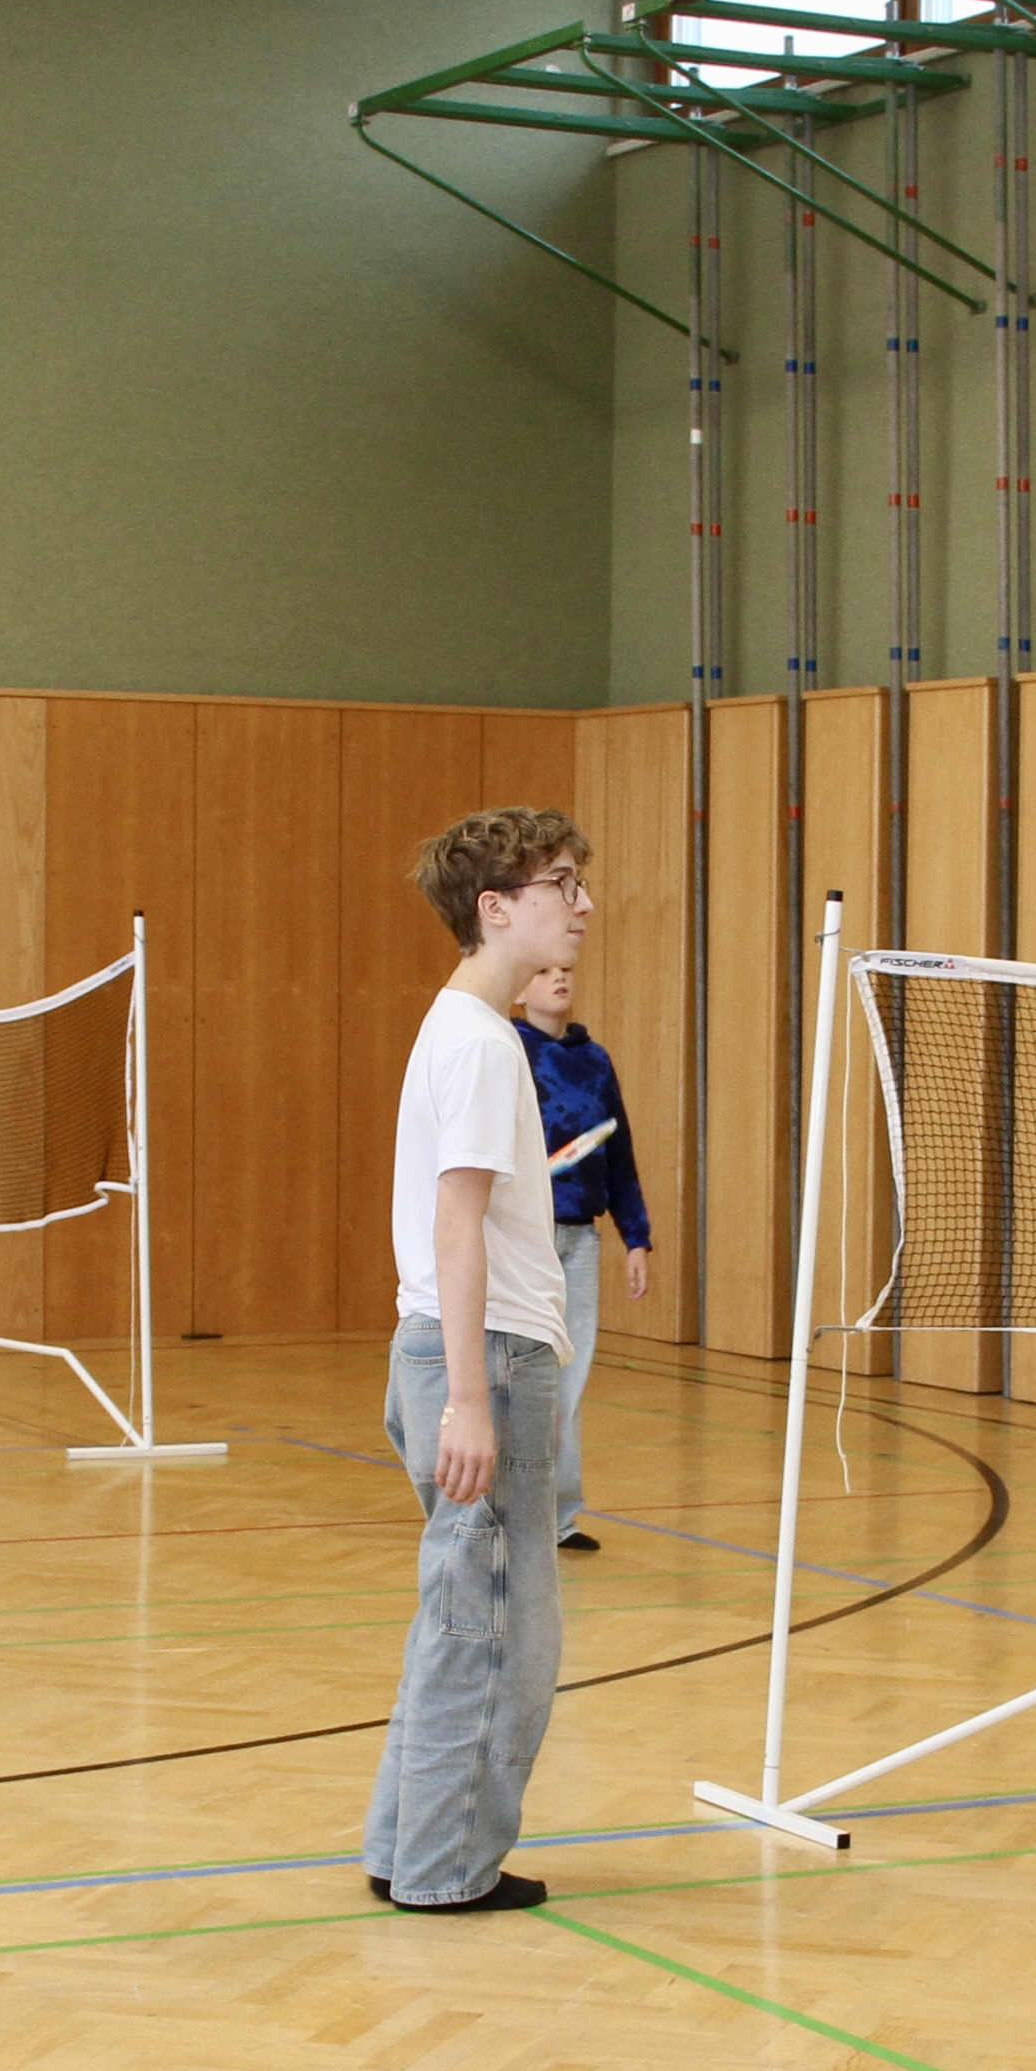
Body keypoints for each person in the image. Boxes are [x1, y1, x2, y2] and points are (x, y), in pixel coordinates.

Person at [361, 807, 594, 1915]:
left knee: (458, 1619)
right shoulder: (484, 1043)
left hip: (465, 1351)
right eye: (561, 884)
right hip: (485, 1357)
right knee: (497, 1636)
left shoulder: (463, 1030)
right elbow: (457, 1223)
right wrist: (469, 1398)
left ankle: (405, 1845)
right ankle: (446, 1868)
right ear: (496, 909)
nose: (583, 904)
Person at [514, 960, 654, 1556]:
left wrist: (635, 1236)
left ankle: (558, 1517)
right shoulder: (510, 1053)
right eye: (544, 971)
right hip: (524, 1238)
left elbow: (619, 1155)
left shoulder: (595, 1061)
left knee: (567, 1384)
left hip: (581, 1240)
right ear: (519, 988)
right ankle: (506, 1512)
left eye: (566, 969)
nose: (559, 978)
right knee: (519, 1377)